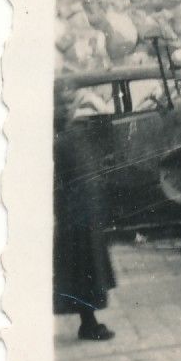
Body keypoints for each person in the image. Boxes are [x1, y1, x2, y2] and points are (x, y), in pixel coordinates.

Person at [53, 84, 117, 341]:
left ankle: (89, 322)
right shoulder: (66, 142)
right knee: (83, 272)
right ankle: (88, 324)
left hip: (80, 216)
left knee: (83, 272)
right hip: (77, 218)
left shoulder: (68, 140)